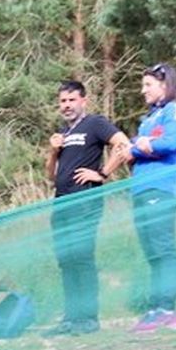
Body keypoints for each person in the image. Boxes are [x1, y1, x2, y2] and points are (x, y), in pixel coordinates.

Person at [44, 81, 132, 336]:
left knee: (82, 258)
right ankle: (71, 318)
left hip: (85, 201)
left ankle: (89, 319)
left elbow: (123, 144)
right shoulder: (63, 133)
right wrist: (52, 151)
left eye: (72, 100)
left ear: (84, 101)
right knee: (66, 260)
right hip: (61, 201)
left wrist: (102, 173)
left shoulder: (95, 123)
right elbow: (51, 176)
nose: (67, 105)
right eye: (62, 101)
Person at [129, 63, 176, 332]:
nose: (143, 91)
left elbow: (169, 143)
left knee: (163, 248)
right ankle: (155, 309)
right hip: (140, 190)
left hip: (162, 189)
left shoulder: (175, 111)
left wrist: (144, 146)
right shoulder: (148, 119)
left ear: (165, 86)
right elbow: (135, 149)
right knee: (151, 251)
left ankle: (168, 309)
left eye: (148, 85)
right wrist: (138, 147)